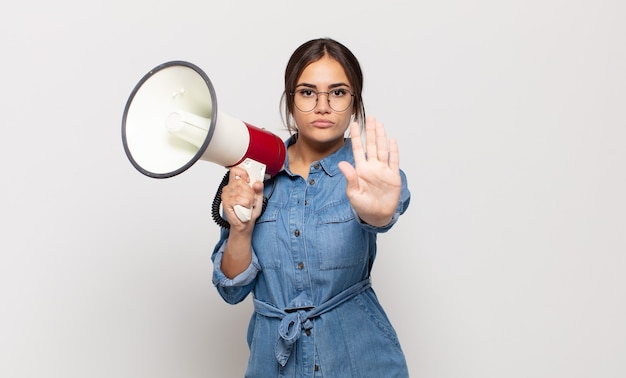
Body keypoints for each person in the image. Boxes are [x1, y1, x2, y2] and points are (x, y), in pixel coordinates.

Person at [211, 37, 411, 377]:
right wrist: (240, 230)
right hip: (272, 365)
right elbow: (232, 290)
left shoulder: (371, 170)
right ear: (290, 102)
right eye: (307, 92)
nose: (322, 106)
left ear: (353, 102)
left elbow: (384, 212)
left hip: (360, 359)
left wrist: (377, 212)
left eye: (337, 92)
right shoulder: (256, 171)